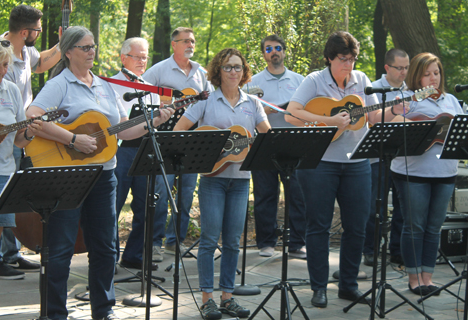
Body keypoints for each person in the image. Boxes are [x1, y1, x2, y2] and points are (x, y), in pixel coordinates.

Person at [25, 26, 173, 320]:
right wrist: (72, 139)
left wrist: (154, 120)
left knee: (106, 247)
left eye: (93, 46)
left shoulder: (103, 86)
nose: (92, 52)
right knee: (61, 248)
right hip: (68, 176)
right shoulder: (60, 84)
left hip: (105, 175)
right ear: (68, 52)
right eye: (85, 47)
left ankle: (103, 310)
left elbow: (123, 129)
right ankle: (55, 314)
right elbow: (33, 116)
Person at [285, 31, 407, 308]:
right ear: (329, 58)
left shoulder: (361, 80)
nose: (348, 65)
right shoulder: (315, 80)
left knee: (357, 226)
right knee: (319, 226)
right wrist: (328, 121)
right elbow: (292, 113)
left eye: (352, 59)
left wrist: (396, 110)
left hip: (357, 163)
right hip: (319, 164)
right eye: (343, 59)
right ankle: (319, 288)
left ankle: (349, 285)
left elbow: (374, 117)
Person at [174, 48, 270, 319]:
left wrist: (255, 143)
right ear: (218, 71)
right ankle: (207, 299)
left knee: (232, 242)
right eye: (228, 67)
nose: (233, 72)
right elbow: (179, 132)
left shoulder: (253, 103)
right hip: (212, 180)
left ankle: (227, 297)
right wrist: (207, 151)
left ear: (244, 71)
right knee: (208, 239)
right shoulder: (206, 101)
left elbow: (267, 138)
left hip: (241, 181)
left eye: (238, 67)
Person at [0, 4, 62, 280]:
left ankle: (11, 254)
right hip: (1, 135)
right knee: (0, 196)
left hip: (21, 134)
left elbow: (43, 61)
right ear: (24, 31)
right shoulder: (0, 54)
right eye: (37, 30)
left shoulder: (26, 51)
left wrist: (62, 42)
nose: (39, 34)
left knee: (14, 197)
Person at [0, 33, 42, 309]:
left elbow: (17, 139)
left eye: (5, 66)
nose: (3, 72)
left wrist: (30, 132)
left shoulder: (12, 91)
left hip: (0, 182)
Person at [390, 52, 462, 296]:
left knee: (434, 227)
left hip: (445, 173)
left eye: (437, 73)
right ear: (416, 77)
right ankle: (413, 278)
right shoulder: (408, 99)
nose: (433, 78)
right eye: (427, 74)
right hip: (413, 173)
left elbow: (463, 132)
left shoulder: (451, 100)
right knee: (414, 227)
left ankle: (428, 278)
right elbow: (392, 125)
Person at [142, 27, 214, 261]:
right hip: (165, 138)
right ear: (174, 44)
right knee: (161, 194)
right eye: (185, 41)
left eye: (193, 41)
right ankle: (154, 244)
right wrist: (162, 104)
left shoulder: (201, 72)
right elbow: (141, 94)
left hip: (192, 140)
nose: (190, 45)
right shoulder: (159, 70)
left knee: (185, 194)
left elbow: (211, 101)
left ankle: (175, 241)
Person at [244, 34, 306, 258]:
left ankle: (297, 243)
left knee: (297, 194)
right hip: (264, 143)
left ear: (284, 51)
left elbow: (308, 111)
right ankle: (266, 243)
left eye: (277, 48)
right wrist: (266, 111)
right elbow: (245, 113)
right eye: (268, 49)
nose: (273, 52)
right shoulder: (252, 82)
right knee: (265, 195)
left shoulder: (301, 81)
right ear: (264, 54)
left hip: (294, 144)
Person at [111, 37, 160, 269]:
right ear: (123, 58)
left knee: (146, 206)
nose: (142, 61)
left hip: (145, 152)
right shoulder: (109, 85)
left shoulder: (151, 88)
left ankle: (134, 256)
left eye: (145, 56)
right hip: (119, 153)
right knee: (112, 207)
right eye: (137, 56)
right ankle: (108, 259)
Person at [363, 48, 408, 267]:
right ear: (387, 68)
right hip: (378, 156)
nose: (404, 72)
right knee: (375, 205)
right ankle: (370, 249)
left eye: (407, 68)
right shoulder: (372, 89)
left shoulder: (412, 90)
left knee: (402, 204)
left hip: (404, 156)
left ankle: (397, 250)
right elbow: (370, 120)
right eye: (399, 68)